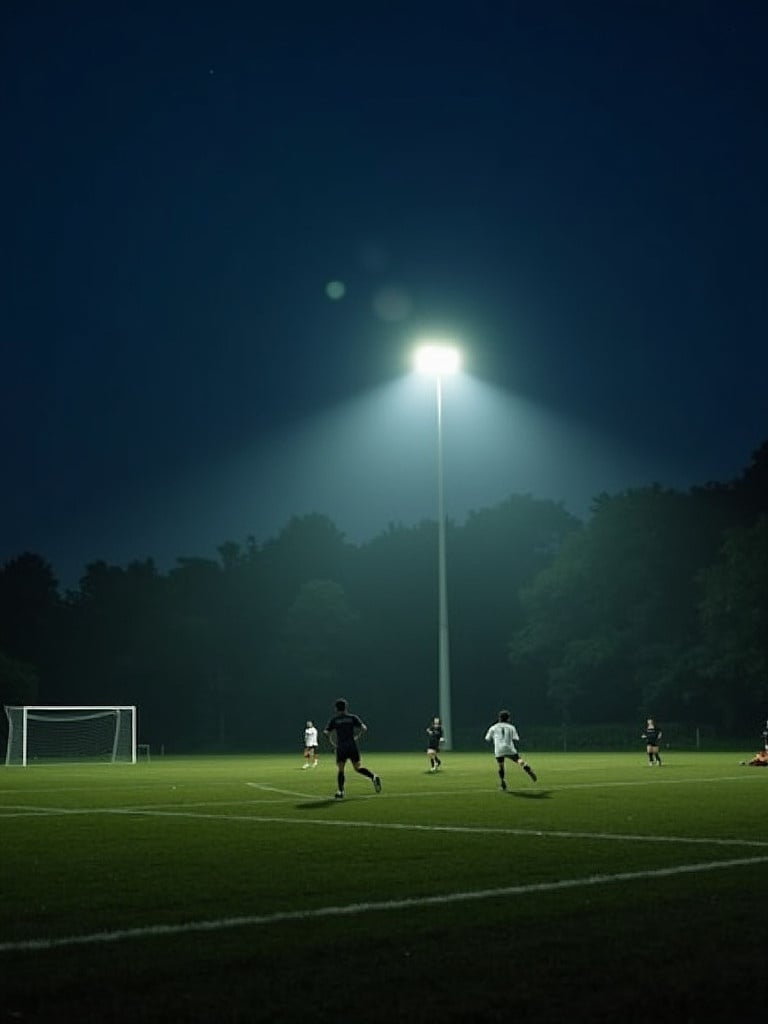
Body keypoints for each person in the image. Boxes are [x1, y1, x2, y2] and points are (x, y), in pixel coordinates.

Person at [323, 698, 382, 799]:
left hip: (341, 747)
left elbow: (326, 732)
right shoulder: (352, 718)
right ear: (346, 707)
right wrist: (357, 737)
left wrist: (332, 743)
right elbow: (364, 728)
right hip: (352, 746)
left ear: (336, 709)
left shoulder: (335, 720)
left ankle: (341, 791)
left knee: (341, 769)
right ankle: (373, 776)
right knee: (358, 767)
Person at [484, 710, 537, 790]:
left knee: (501, 766)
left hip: (498, 749)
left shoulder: (493, 727)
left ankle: (502, 782)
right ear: (508, 719)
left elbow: (487, 739)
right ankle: (526, 766)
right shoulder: (511, 727)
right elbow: (515, 738)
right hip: (509, 748)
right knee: (518, 759)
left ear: (499, 718)